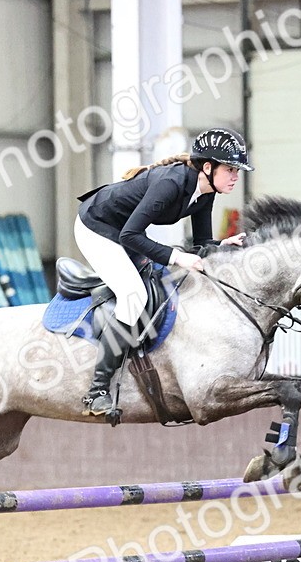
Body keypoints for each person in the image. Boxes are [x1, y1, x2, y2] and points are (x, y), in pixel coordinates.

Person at [73, 127, 254, 416]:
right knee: (134, 295)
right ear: (207, 167)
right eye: (230, 169)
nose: (235, 176)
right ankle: (97, 391)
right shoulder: (170, 183)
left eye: (237, 170)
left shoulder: (205, 192)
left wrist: (221, 244)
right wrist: (177, 258)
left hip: (123, 231)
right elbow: (130, 236)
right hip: (96, 228)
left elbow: (201, 244)